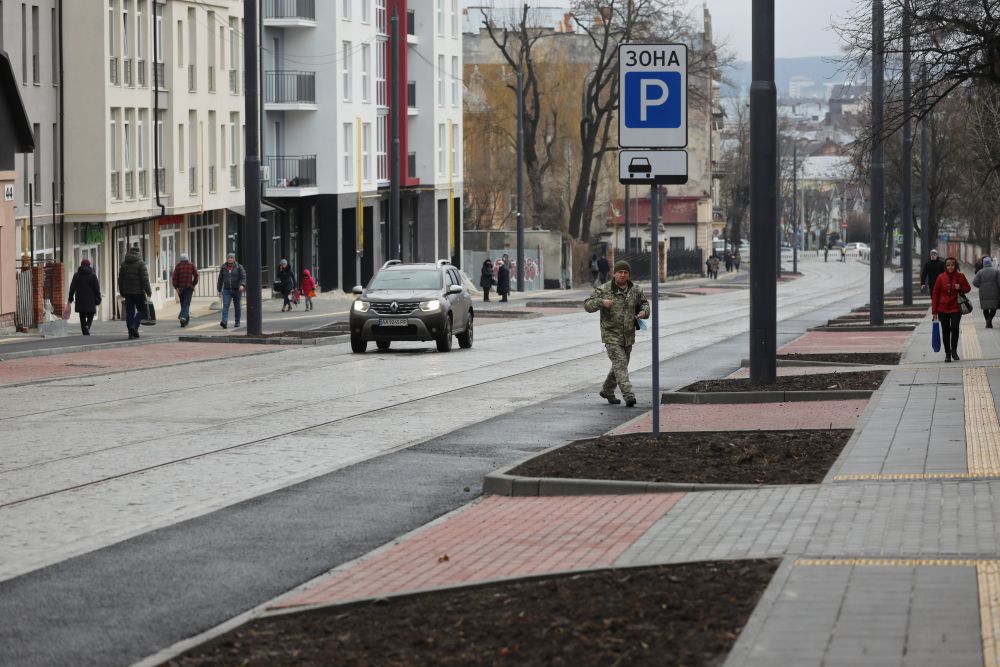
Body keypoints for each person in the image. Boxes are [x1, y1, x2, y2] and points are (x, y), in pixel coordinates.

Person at [584, 260, 650, 408]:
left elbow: (645, 304)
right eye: (620, 272)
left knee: (620, 365)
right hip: (611, 335)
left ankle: (607, 390)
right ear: (614, 273)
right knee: (620, 365)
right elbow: (587, 304)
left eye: (625, 272)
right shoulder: (604, 289)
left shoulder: (636, 289)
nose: (623, 275)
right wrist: (602, 302)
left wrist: (643, 312)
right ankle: (629, 395)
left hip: (628, 336)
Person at [932, 256, 972, 362]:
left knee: (954, 329)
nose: (950, 267)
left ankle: (954, 351)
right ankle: (947, 354)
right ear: (945, 266)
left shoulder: (960, 276)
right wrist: (934, 312)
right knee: (945, 331)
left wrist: (961, 288)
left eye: (952, 265)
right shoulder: (940, 277)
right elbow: (935, 294)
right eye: (948, 265)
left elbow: (968, 288)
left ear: (955, 266)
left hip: (955, 308)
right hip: (942, 309)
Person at [118, 245, 152, 340]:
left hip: (128, 293)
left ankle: (131, 332)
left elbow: (120, 280)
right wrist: (149, 291)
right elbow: (145, 279)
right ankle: (134, 325)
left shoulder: (124, 264)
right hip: (139, 292)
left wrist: (121, 291)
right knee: (142, 310)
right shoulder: (141, 264)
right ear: (139, 253)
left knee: (129, 312)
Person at [67, 258, 101, 335]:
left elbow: (72, 287)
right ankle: (87, 326)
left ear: (81, 265)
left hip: (80, 299)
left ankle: (84, 331)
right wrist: (98, 297)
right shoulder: (93, 275)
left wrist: (70, 298)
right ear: (89, 266)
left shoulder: (76, 275)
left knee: (82, 315)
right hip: (90, 299)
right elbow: (97, 288)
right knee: (91, 314)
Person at [217, 252, 246, 329]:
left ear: (234, 259)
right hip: (226, 290)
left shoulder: (239, 267)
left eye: (231, 258)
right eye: (228, 258)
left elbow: (243, 277)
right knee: (225, 305)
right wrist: (219, 290)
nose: (229, 259)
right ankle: (224, 322)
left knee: (237, 306)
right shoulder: (223, 267)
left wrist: (242, 285)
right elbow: (220, 279)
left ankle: (237, 321)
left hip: (237, 289)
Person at [171, 253, 199, 327]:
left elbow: (174, 278)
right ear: (187, 258)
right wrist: (193, 284)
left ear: (180, 259)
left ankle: (185, 321)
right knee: (186, 304)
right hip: (189, 287)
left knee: (183, 304)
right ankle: (183, 318)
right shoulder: (191, 265)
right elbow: (196, 275)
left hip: (180, 288)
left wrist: (176, 287)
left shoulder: (178, 266)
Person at [973, 257, 1000, 328]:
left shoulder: (980, 272)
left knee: (985, 308)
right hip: (995, 292)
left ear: (983, 264)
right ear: (990, 263)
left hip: (983, 293)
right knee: (994, 308)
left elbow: (974, 282)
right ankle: (989, 320)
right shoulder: (996, 271)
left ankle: (988, 322)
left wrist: (980, 286)